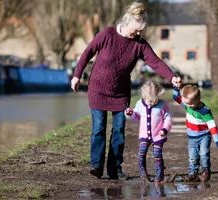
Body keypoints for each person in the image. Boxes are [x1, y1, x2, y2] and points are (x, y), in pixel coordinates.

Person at [70, 1, 181, 180]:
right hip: (97, 89)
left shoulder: (139, 45)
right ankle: (96, 166)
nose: (138, 34)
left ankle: (115, 169)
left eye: (141, 31)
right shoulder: (107, 34)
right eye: (136, 30)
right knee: (98, 128)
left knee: (119, 130)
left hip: (120, 93)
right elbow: (87, 52)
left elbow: (156, 62)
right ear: (127, 21)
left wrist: (172, 77)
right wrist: (77, 75)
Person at [125, 81, 172, 187]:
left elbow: (168, 117)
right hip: (144, 135)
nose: (153, 103)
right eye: (150, 101)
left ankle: (159, 174)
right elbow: (135, 116)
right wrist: (130, 113)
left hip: (158, 135)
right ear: (144, 96)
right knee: (141, 154)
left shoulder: (162, 105)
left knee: (157, 155)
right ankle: (143, 173)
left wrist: (165, 129)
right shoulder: (139, 104)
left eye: (155, 101)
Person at [173, 85, 218, 182]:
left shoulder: (205, 111)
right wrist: (176, 88)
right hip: (192, 137)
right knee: (192, 156)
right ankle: (192, 173)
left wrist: (217, 139)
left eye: (191, 104)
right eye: (186, 104)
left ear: (198, 99)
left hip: (204, 135)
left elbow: (212, 125)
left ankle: (205, 170)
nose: (188, 106)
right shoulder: (187, 105)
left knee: (204, 153)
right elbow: (176, 98)